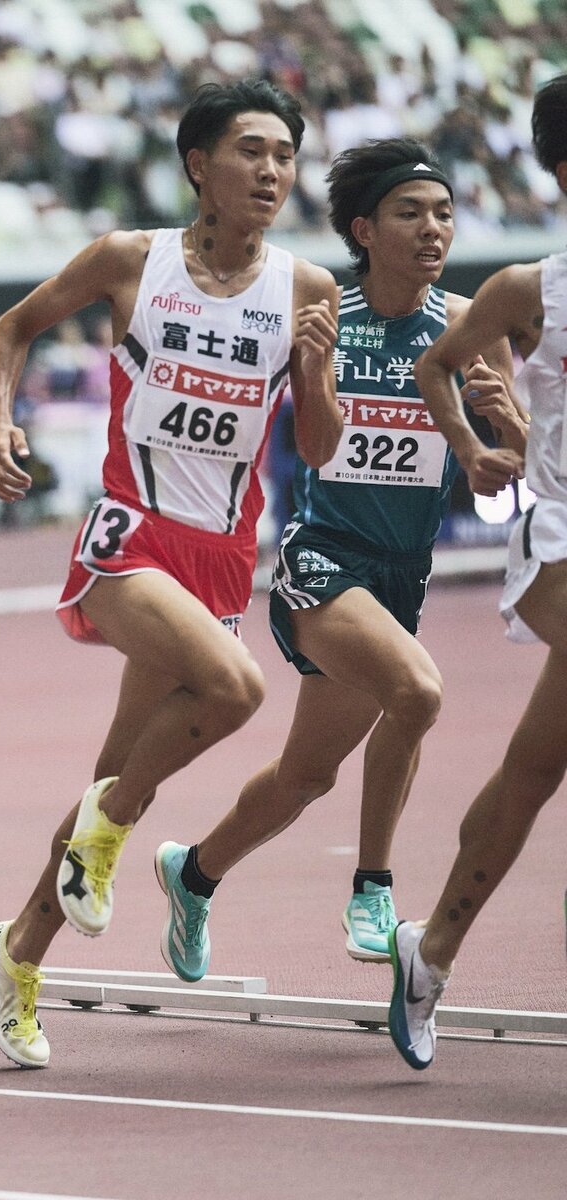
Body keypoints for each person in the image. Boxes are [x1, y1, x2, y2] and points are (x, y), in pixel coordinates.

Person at [0, 80, 341, 1069]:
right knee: (236, 689)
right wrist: (0, 421)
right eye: (249, 152)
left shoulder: (307, 291)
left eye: (283, 156)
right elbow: (11, 329)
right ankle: (112, 830)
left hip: (222, 557)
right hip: (127, 534)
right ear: (197, 167)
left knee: (111, 769)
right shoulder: (129, 261)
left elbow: (317, 442)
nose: (270, 171)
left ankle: (16, 952)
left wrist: (311, 375)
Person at [150, 140, 527, 985]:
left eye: (443, 212)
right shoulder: (320, 317)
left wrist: (506, 432)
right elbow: (296, 443)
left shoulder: (474, 333)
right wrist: (312, 372)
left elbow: (514, 481)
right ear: (364, 228)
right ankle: (374, 885)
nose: (434, 229)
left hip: (401, 575)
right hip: (320, 559)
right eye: (410, 213)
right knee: (418, 691)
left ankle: (194, 872)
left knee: (306, 776)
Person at [387, 73, 566, 1071]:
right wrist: (474, 442)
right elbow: (432, 367)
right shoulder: (525, 291)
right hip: (558, 541)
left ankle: (432, 949)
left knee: (535, 771)